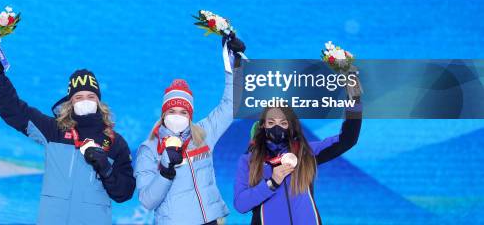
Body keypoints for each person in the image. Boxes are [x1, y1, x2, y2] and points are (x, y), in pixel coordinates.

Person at [0, 38, 135, 225]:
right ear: (70, 102)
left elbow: (124, 194)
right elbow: (13, 110)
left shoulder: (115, 142)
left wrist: (105, 168)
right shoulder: (54, 131)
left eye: (91, 96)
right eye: (79, 97)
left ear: (99, 102)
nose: (86, 100)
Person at [135, 33, 246, 225]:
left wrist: (235, 66)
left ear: (190, 115)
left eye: (183, 112)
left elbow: (231, 105)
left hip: (211, 220)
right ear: (163, 114)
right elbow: (147, 201)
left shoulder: (202, 134)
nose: (177, 116)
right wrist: (165, 171)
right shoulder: (150, 148)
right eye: (172, 111)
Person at [233, 83, 362, 224]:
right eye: (271, 122)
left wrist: (353, 99)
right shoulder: (249, 160)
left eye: (283, 123)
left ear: (290, 126)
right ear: (263, 125)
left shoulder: (304, 152)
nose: (277, 127)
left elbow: (348, 139)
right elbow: (241, 205)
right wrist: (272, 183)